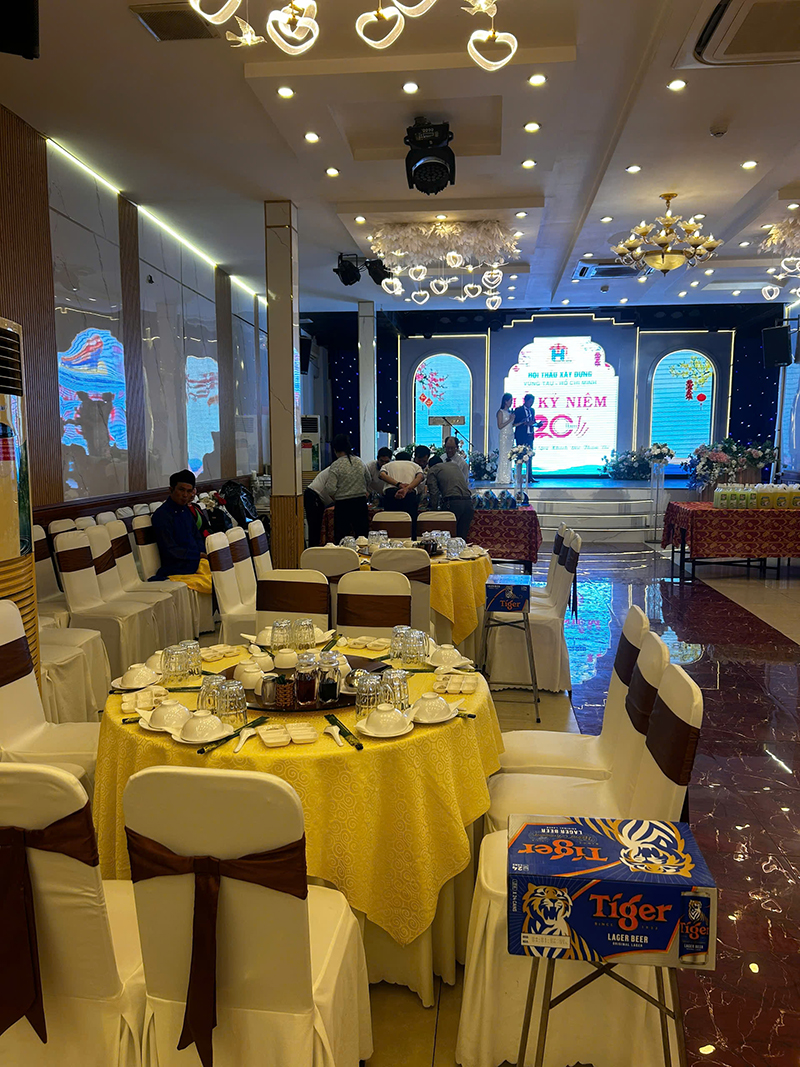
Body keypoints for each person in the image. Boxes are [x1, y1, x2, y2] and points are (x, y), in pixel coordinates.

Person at [151, 469, 209, 589]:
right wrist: (198, 555)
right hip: (178, 566)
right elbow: (169, 549)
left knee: (226, 571)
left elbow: (197, 537)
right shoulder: (162, 515)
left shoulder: (185, 510)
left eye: (189, 491)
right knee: (216, 579)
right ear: (171, 489)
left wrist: (203, 554)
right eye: (181, 490)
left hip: (195, 561)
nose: (185, 495)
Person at [328, 433, 371, 541]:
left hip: (343, 504)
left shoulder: (336, 465)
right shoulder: (359, 461)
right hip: (360, 502)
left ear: (335, 449)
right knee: (362, 536)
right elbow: (369, 479)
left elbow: (330, 488)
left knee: (342, 537)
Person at [426, 454, 474, 540]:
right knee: (461, 539)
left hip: (452, 503)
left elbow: (434, 492)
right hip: (468, 503)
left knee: (448, 538)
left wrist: (433, 510)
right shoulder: (454, 466)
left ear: (430, 466)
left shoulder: (433, 469)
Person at [380, 450, 425, 537]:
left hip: (391, 494)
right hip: (409, 495)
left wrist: (398, 484)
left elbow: (382, 475)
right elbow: (420, 477)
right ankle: (411, 542)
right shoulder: (415, 465)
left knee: (391, 522)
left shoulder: (388, 465)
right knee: (410, 523)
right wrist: (406, 489)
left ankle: (390, 541)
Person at [513, 393, 545, 486]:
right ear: (525, 401)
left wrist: (537, 424)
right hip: (521, 435)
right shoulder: (518, 410)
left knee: (530, 456)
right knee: (520, 455)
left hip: (529, 435)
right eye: (530, 402)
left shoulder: (532, 410)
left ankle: (529, 476)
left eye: (532, 402)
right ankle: (519, 476)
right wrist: (525, 423)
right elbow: (515, 423)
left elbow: (532, 422)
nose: (531, 404)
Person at [304, 466, 334, 547]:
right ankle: (313, 552)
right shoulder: (336, 469)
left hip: (317, 497)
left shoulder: (338, 467)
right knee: (315, 529)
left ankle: (316, 550)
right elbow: (331, 490)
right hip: (314, 495)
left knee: (318, 529)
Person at [495, 392, 515, 485]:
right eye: (510, 401)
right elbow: (500, 426)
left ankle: (508, 476)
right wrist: (510, 419)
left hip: (510, 435)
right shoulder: (500, 412)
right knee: (504, 455)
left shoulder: (509, 412)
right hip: (504, 436)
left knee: (510, 456)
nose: (511, 403)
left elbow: (511, 425)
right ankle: (503, 477)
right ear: (505, 401)